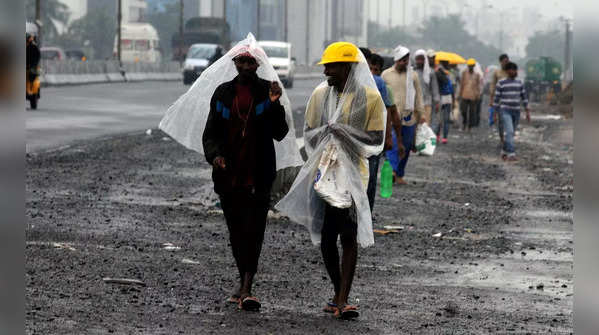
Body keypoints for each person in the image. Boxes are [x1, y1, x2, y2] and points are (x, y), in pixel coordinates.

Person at [276, 41, 386, 319]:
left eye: (332, 66)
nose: (326, 72)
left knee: (348, 236)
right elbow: (310, 133)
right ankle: (339, 292)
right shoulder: (320, 95)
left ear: (348, 67)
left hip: (354, 177)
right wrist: (327, 135)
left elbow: (376, 140)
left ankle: (343, 298)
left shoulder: (370, 99)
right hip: (324, 174)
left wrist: (344, 133)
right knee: (326, 238)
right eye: (326, 66)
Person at [362, 49, 401, 212]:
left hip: (367, 138)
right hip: (372, 138)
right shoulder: (377, 82)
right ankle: (364, 219)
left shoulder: (377, 83)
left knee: (364, 179)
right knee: (368, 180)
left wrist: (390, 137)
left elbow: (389, 113)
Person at [382, 45, 424, 185]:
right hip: (390, 117)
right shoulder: (386, 75)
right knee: (393, 143)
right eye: (401, 60)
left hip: (409, 118)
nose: (404, 63)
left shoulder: (413, 75)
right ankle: (393, 170)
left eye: (406, 60)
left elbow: (418, 96)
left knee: (405, 147)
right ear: (396, 60)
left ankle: (399, 174)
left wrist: (420, 114)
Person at [493, 62, 529, 161]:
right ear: (507, 71)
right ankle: (511, 153)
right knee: (509, 131)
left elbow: (524, 97)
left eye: (515, 70)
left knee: (511, 133)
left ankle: (504, 150)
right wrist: (494, 113)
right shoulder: (501, 83)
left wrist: (527, 112)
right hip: (505, 111)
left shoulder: (519, 83)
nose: (514, 72)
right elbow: (496, 100)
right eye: (512, 70)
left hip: (516, 111)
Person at [414, 49, 440, 125]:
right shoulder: (412, 72)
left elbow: (435, 88)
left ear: (425, 60)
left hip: (427, 103)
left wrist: (437, 102)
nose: (419, 61)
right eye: (418, 59)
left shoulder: (431, 72)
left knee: (425, 125)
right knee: (414, 125)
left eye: (421, 59)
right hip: (414, 104)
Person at [489, 54, 510, 144]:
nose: (506, 63)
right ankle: (502, 137)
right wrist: (491, 99)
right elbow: (493, 86)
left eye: (507, 61)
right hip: (500, 100)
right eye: (504, 61)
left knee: (511, 120)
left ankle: (509, 136)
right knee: (501, 120)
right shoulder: (497, 73)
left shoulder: (511, 72)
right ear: (501, 62)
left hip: (511, 100)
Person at [433, 60, 454, 144]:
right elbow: (452, 89)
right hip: (448, 98)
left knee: (438, 119)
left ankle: (437, 137)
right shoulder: (448, 74)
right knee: (446, 119)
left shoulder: (436, 73)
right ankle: (445, 138)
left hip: (440, 98)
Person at [458, 58, 482, 132]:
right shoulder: (464, 73)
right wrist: (460, 94)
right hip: (464, 95)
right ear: (468, 66)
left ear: (473, 66)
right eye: (469, 66)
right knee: (463, 111)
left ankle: (469, 126)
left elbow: (478, 86)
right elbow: (461, 84)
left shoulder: (477, 75)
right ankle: (464, 123)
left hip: (473, 96)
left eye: (472, 66)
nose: (470, 67)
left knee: (472, 112)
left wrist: (478, 95)